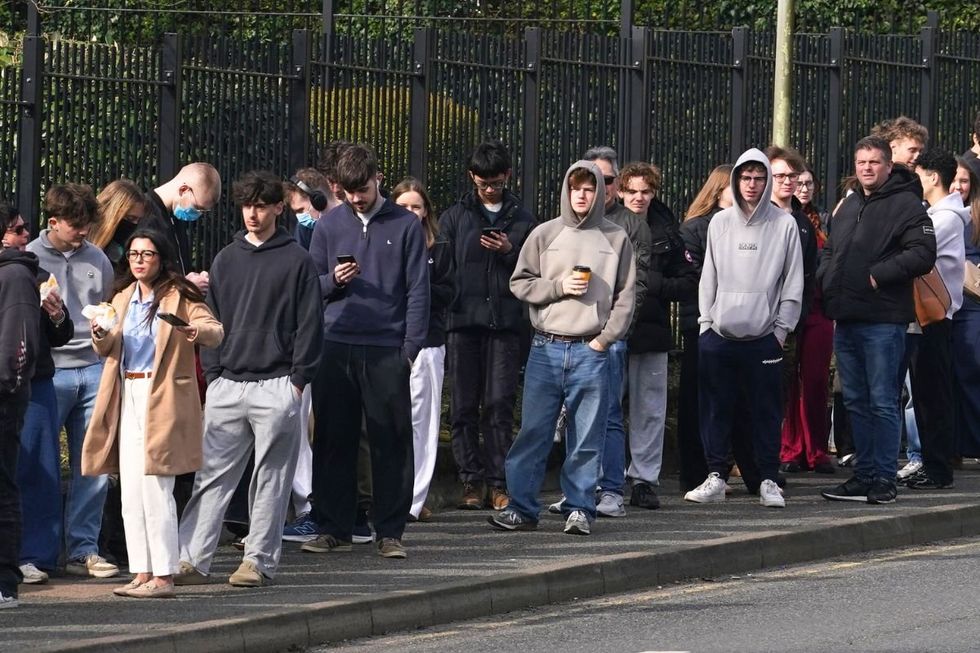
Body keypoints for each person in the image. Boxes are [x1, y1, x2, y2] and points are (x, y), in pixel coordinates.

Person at [175, 171, 322, 586]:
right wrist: (216, 373)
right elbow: (212, 319)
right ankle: (193, 559)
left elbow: (311, 325)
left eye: (260, 205)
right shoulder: (226, 258)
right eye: (246, 205)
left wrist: (297, 381)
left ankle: (257, 561)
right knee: (211, 477)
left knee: (272, 479)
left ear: (278, 207)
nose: (252, 214)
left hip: (278, 383)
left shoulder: (298, 260)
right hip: (229, 383)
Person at [489, 160, 635, 536]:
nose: (583, 195)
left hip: (592, 349)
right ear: (566, 191)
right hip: (546, 347)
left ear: (601, 192)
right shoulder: (544, 233)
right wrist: (557, 287)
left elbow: (626, 297)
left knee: (587, 436)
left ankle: (581, 508)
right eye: (576, 188)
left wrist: (604, 340)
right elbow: (520, 283)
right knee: (533, 432)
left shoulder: (617, 237)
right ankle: (521, 508)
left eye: (590, 188)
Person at [303, 144, 429, 559]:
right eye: (349, 192)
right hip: (335, 344)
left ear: (378, 178)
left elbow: (417, 291)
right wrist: (333, 281)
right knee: (333, 440)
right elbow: (311, 288)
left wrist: (408, 350)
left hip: (386, 348)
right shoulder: (327, 226)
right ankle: (331, 526)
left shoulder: (406, 225)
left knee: (390, 441)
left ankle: (390, 530)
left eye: (363, 189)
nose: (357, 198)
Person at [82, 230, 222, 598]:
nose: (139, 260)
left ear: (161, 259)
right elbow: (109, 345)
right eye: (133, 254)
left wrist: (196, 330)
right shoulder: (123, 297)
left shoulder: (178, 295)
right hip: (126, 389)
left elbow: (215, 331)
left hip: (162, 395)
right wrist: (99, 333)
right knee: (130, 486)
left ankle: (164, 573)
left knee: (157, 483)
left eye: (147, 254)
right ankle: (141, 570)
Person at [818, 136, 936, 505]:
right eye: (861, 162)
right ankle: (863, 474)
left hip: (883, 320)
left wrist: (879, 274)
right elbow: (832, 250)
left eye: (874, 162)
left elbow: (922, 253)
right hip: (846, 316)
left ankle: (884, 478)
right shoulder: (849, 205)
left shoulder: (906, 205)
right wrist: (826, 277)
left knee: (883, 400)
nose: (867, 168)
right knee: (855, 400)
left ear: (888, 165)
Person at [684, 149, 803, 509]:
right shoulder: (719, 223)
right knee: (716, 409)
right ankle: (716, 475)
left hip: (764, 337)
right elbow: (709, 278)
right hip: (719, 336)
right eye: (745, 178)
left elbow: (793, 281)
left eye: (759, 178)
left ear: (768, 181)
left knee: (765, 411)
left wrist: (781, 330)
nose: (752, 185)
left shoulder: (784, 225)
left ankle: (768, 478)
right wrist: (707, 324)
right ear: (735, 180)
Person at [26, 184, 119, 579]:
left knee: (93, 464)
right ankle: (35, 551)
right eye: (76, 225)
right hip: (51, 370)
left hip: (92, 365)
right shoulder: (30, 257)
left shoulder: (97, 257)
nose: (83, 232)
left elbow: (108, 304)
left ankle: (84, 548)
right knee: (41, 465)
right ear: (53, 222)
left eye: (87, 225)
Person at [439, 141, 535, 511]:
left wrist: (510, 251)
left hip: (506, 324)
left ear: (508, 176)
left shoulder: (524, 220)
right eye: (483, 185)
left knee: (498, 404)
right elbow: (445, 269)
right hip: (463, 322)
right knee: (462, 405)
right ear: (472, 179)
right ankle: (469, 480)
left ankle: (498, 482)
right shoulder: (455, 217)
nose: (490, 190)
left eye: (496, 183)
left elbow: (535, 271)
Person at [3, 206, 73, 586]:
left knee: (38, 471)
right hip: (16, 382)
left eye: (25, 227)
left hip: (33, 382)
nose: (25, 234)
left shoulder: (38, 275)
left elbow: (62, 334)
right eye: (17, 229)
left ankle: (35, 555)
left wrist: (57, 314)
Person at [623, 161, 697, 510]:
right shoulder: (606, 224)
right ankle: (594, 480)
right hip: (609, 330)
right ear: (621, 192)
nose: (639, 197)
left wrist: (652, 285)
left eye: (646, 191)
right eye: (633, 191)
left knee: (649, 410)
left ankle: (643, 480)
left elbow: (687, 281)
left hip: (651, 330)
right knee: (601, 408)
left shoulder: (667, 231)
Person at [903, 148, 967, 490]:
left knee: (932, 397)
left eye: (918, 172)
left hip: (934, 319)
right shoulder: (940, 215)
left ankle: (937, 468)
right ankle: (931, 463)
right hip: (928, 318)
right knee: (928, 395)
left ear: (931, 177)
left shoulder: (943, 220)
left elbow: (913, 255)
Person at [764, 148, 831, 475]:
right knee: (782, 384)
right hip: (774, 315)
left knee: (816, 380)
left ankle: (816, 450)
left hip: (813, 310)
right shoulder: (760, 216)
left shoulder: (807, 222)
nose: (791, 183)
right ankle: (788, 449)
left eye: (795, 177)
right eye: (783, 177)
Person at [392, 177, 453, 521]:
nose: (410, 213)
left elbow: (449, 293)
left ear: (426, 210)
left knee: (423, 422)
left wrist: (418, 283)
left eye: (416, 206)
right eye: (403, 207)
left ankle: (413, 501)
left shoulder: (440, 246)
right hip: (390, 341)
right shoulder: (384, 242)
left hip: (428, 343)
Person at [677, 165, 733, 492]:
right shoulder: (695, 228)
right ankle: (695, 469)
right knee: (699, 397)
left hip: (736, 324)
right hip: (700, 321)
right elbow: (695, 276)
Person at [0, 215, 40, 609]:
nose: (26, 234)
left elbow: (18, 342)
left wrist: (9, 386)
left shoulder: (14, 274)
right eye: (17, 228)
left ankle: (5, 582)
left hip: (4, 399)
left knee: (3, 485)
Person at [142, 162, 221, 290]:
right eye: (198, 208)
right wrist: (184, 285)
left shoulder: (174, 217)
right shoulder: (144, 216)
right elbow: (142, 278)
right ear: (183, 190)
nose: (198, 215)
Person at [951, 157, 980, 457]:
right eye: (955, 180)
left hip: (973, 303)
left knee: (971, 369)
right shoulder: (936, 213)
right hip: (944, 302)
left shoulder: (976, 215)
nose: (959, 186)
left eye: (965, 180)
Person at [87, 180, 150, 274]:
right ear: (111, 213)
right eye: (130, 218)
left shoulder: (129, 254)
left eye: (138, 220)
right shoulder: (78, 244)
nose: (134, 225)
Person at [284, 167, 338, 252]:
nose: (299, 216)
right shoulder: (304, 228)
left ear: (317, 200)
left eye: (301, 210)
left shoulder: (352, 217)